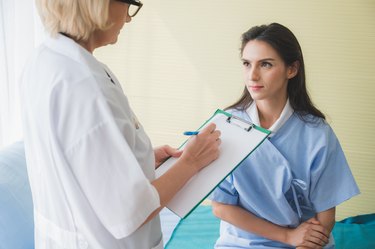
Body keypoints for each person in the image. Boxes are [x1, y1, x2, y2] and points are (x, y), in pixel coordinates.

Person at [20, 0, 221, 248]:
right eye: (129, 4)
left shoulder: (45, 59)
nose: (128, 18)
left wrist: (140, 158)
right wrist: (192, 161)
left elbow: (80, 158)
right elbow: (130, 213)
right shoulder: (85, 86)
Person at [209, 23, 359, 249]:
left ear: (292, 69)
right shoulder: (228, 126)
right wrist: (286, 236)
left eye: (265, 64)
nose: (253, 75)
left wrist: (302, 243)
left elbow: (325, 217)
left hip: (304, 242)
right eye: (247, 64)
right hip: (241, 242)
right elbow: (221, 207)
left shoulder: (317, 133)